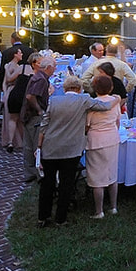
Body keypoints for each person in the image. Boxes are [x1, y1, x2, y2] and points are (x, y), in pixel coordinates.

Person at [35, 74, 116, 227]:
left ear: (65, 88)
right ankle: (61, 218)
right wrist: (117, 99)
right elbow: (104, 106)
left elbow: (43, 126)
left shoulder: (53, 101)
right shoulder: (83, 99)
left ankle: (43, 217)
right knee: (67, 184)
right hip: (71, 150)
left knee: (47, 183)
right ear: (79, 89)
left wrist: (39, 147)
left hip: (51, 148)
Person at [85, 74, 122, 219]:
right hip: (112, 138)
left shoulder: (92, 104)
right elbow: (117, 121)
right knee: (112, 173)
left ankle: (99, 211)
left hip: (96, 140)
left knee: (97, 177)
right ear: (111, 87)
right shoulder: (115, 101)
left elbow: (87, 126)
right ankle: (113, 207)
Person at [21, 56, 54, 182]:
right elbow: (30, 96)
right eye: (54, 67)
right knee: (36, 146)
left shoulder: (38, 77)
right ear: (49, 67)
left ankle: (29, 173)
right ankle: (39, 174)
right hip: (34, 116)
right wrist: (40, 110)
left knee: (28, 145)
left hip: (28, 115)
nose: (55, 69)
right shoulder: (41, 79)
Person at [2, 49, 33, 152]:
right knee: (20, 118)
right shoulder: (21, 68)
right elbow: (7, 81)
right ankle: (20, 141)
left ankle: (12, 141)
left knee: (12, 118)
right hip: (18, 93)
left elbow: (7, 80)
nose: (22, 54)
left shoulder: (20, 67)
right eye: (20, 52)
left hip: (14, 93)